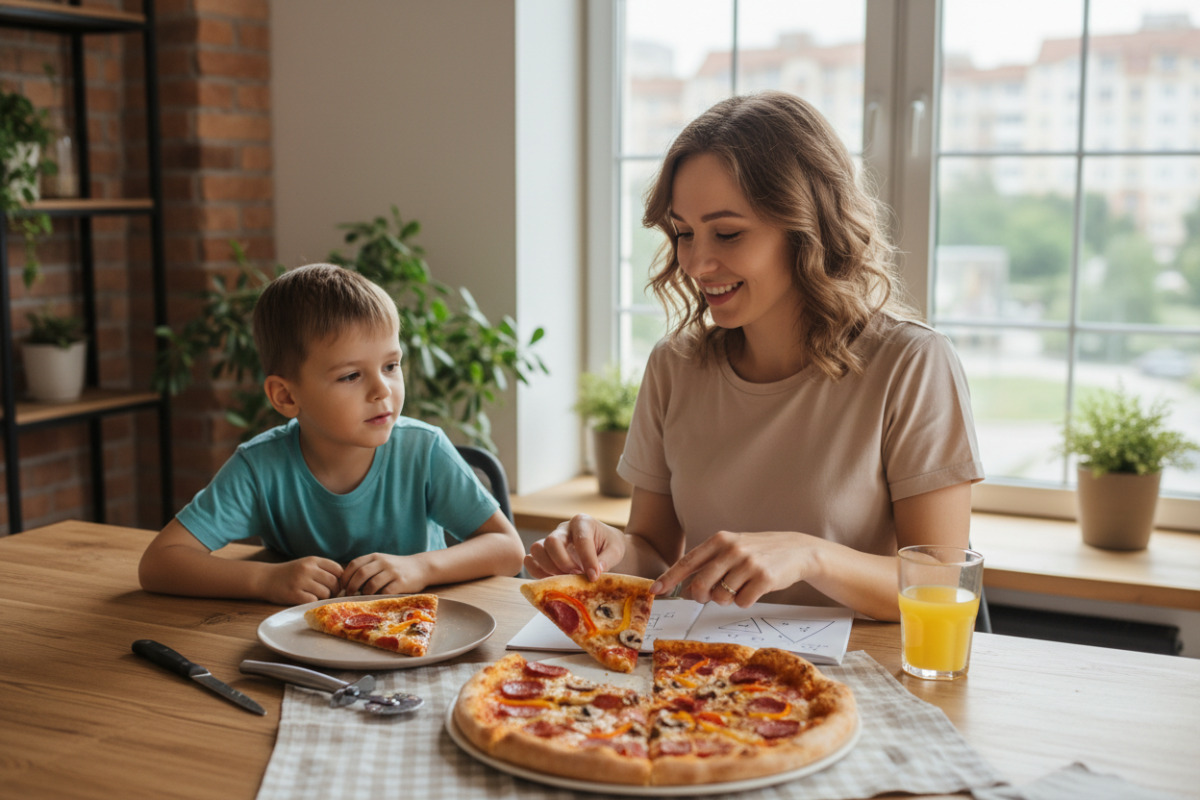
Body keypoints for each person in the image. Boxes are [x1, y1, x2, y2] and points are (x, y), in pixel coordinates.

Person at [525, 92, 983, 621]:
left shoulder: (912, 363)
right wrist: (609, 547)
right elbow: (653, 553)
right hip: (708, 680)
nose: (696, 262)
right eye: (683, 233)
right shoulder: (674, 366)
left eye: (727, 233)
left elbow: (944, 585)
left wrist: (811, 555)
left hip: (860, 679)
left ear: (807, 228)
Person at [139, 263, 525, 604]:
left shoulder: (424, 450)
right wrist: (264, 579)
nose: (382, 390)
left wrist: (421, 568)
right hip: (305, 646)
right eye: (351, 375)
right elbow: (160, 562)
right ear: (286, 396)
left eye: (391, 366)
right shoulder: (260, 467)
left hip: (421, 635)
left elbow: (508, 549)